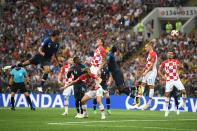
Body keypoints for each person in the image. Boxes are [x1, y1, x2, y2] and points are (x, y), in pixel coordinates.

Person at [158, 52, 187, 117]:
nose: (169, 55)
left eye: (171, 54)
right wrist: (162, 76)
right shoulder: (164, 63)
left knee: (184, 91)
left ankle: (184, 104)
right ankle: (166, 110)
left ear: (173, 55)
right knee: (167, 95)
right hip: (169, 80)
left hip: (176, 79)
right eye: (168, 54)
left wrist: (181, 66)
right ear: (167, 55)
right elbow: (159, 71)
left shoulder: (176, 61)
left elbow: (182, 67)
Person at [137, 43, 158, 110]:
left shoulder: (153, 54)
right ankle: (138, 99)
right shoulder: (149, 54)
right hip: (148, 71)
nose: (145, 49)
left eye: (146, 47)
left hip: (152, 72)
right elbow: (148, 64)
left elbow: (151, 66)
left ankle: (149, 103)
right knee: (142, 84)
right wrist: (144, 70)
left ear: (150, 47)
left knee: (151, 86)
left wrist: (145, 72)